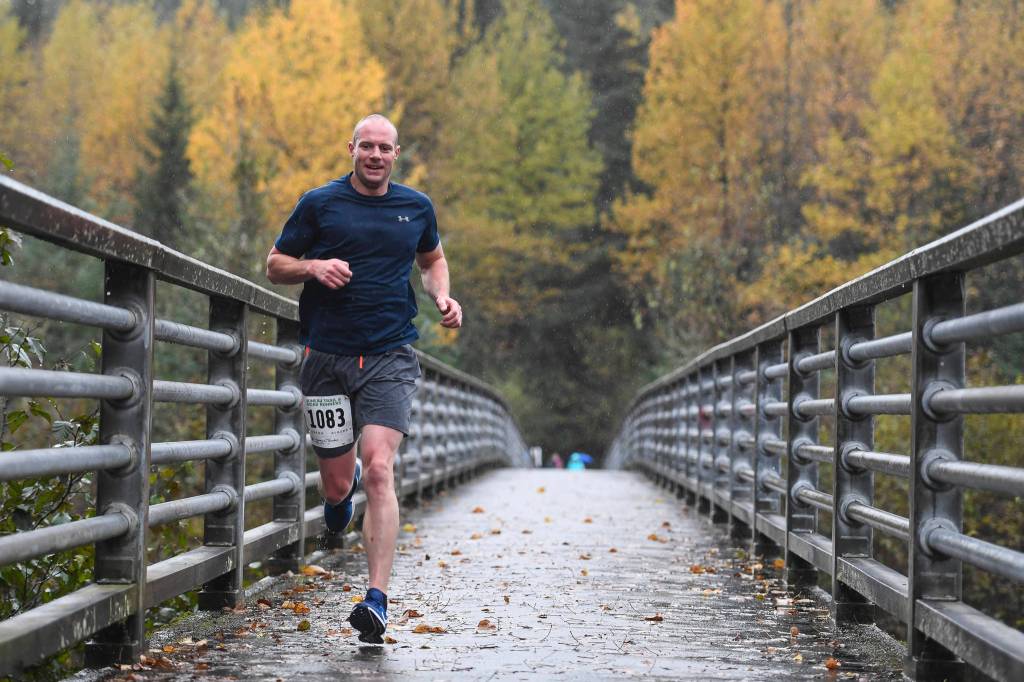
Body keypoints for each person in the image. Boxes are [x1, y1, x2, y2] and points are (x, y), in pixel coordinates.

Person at [266, 114, 462, 643]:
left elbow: (433, 259)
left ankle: (376, 599)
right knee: (338, 481)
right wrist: (313, 268)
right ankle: (336, 500)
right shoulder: (320, 204)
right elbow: (275, 263)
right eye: (367, 146)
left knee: (379, 469)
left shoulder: (415, 207)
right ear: (351, 148)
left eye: (385, 148)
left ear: (397, 155)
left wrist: (441, 294)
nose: (375, 155)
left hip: (390, 356)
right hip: (326, 356)